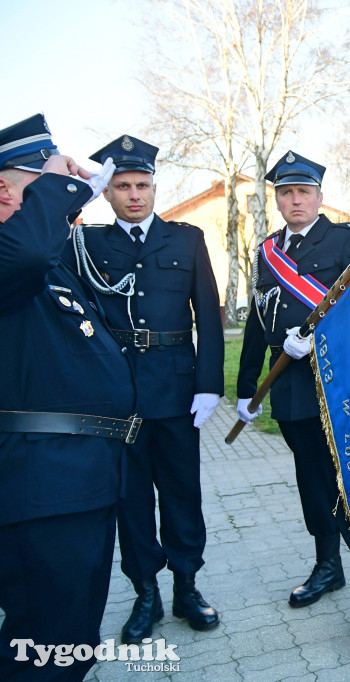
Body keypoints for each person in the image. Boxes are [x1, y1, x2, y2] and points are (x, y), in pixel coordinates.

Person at [236, 151, 350, 658]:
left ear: (320, 197)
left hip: (343, 391)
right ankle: (329, 566)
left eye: (303, 191)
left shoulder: (347, 239)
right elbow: (260, 324)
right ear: (277, 200)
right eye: (285, 192)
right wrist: (243, 389)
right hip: (292, 395)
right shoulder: (267, 252)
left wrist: (322, 336)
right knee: (314, 485)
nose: (294, 200)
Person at [68, 135, 224, 642]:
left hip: (178, 390)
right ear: (107, 193)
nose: (134, 194)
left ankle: (186, 587)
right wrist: (76, 195)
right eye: (122, 186)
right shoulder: (89, 243)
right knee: (131, 499)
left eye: (142, 185)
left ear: (155, 188)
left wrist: (209, 385)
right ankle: (145, 595)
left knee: (182, 491)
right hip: (119, 394)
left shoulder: (186, 239)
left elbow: (210, 316)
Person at [0, 115, 130, 680]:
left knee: (69, 635)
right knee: (44, 642)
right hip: (43, 483)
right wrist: (59, 186)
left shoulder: (41, 259)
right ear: (5, 188)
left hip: (78, 480)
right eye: (47, 173)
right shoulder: (17, 257)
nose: (72, 181)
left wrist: (52, 192)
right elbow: (24, 254)